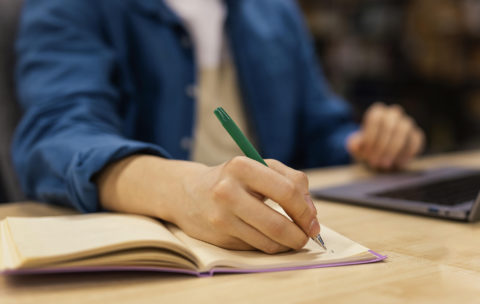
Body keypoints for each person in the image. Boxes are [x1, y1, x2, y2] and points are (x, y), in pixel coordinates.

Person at [13, 0, 424, 254]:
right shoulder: (74, 5)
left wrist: (365, 144)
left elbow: (319, 129)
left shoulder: (275, 9)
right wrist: (180, 189)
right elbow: (55, 136)